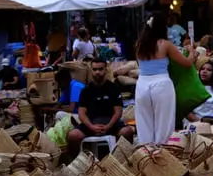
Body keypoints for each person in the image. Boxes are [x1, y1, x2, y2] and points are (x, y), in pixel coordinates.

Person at [134, 14, 195, 146]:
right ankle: (162, 153)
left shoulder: (139, 44)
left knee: (144, 122)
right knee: (164, 124)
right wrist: (191, 52)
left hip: (142, 84)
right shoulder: (165, 44)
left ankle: (146, 152)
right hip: (161, 83)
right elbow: (187, 63)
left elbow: (139, 64)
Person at [65, 56, 135, 156]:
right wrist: (92, 127)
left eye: (100, 69)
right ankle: (78, 162)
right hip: (91, 124)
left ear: (105, 70)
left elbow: (118, 112)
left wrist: (108, 126)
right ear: (91, 71)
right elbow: (81, 113)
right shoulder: (86, 90)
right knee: (72, 135)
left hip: (111, 123)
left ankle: (123, 159)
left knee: (127, 131)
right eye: (94, 69)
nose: (97, 72)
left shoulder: (114, 88)